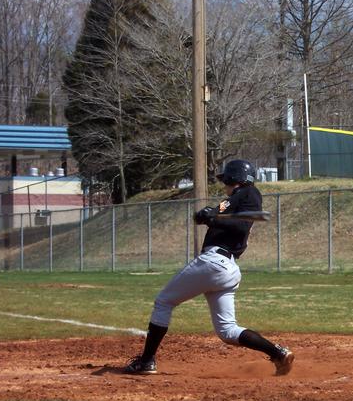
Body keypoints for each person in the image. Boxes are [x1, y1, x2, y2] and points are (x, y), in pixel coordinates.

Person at [124, 159, 294, 376]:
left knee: (164, 302)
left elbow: (241, 226)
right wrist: (207, 214)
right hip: (227, 268)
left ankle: (146, 361)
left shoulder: (249, 192)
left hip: (214, 262)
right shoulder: (232, 200)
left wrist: (213, 218)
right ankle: (278, 353)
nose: (224, 184)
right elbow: (218, 211)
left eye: (226, 180)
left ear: (234, 178)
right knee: (227, 331)